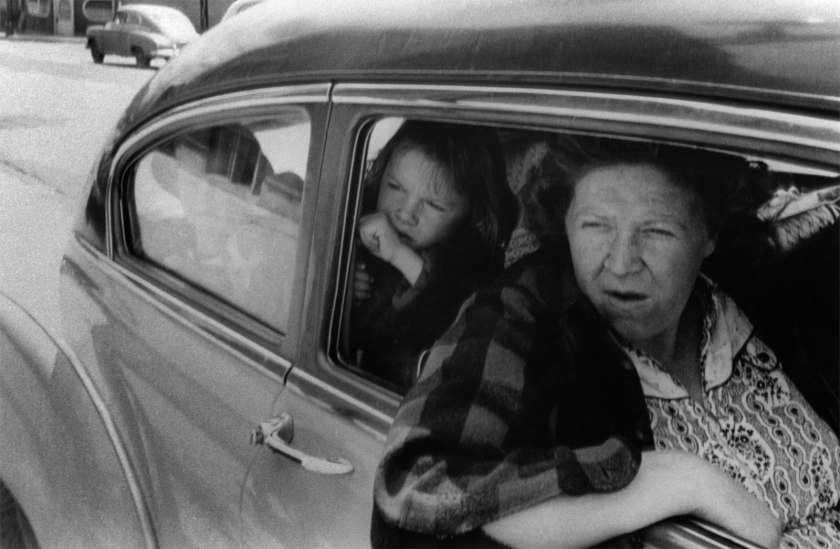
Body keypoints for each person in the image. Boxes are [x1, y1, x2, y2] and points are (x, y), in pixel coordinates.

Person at [372, 137, 840, 548]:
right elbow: (418, 492)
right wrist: (674, 479)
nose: (620, 263)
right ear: (565, 223)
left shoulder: (750, 288)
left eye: (656, 231)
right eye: (595, 226)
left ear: (709, 233)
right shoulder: (527, 311)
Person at [351, 121, 517, 390]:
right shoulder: (353, 221)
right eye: (395, 187)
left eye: (433, 204)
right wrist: (342, 285)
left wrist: (397, 254)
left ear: (472, 216)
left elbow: (448, 302)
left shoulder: (468, 266)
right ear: (379, 175)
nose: (406, 212)